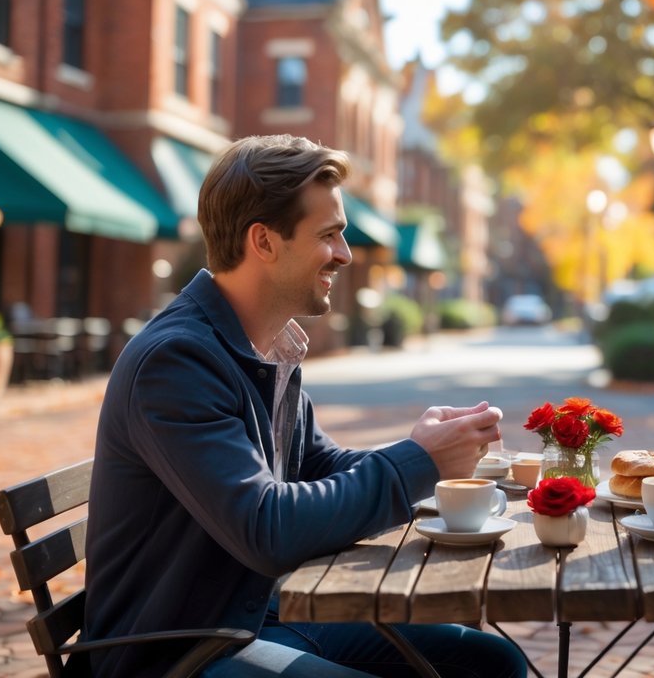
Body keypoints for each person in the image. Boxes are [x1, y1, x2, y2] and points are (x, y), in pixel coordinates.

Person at [84, 135, 526, 678]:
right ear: (264, 242)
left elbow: (318, 467)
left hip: (250, 614)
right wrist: (417, 463)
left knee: (489, 661)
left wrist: (426, 453)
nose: (344, 253)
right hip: (177, 649)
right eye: (329, 235)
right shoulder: (175, 363)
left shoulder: (266, 344)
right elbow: (268, 531)